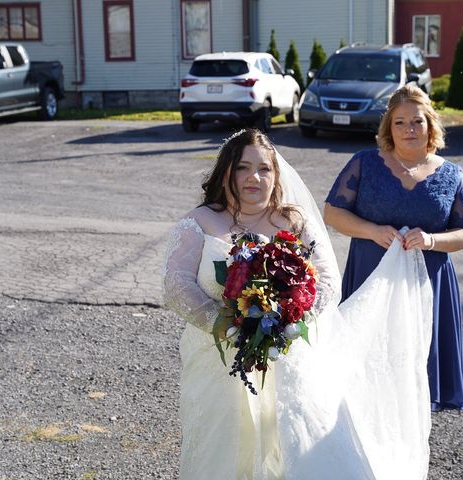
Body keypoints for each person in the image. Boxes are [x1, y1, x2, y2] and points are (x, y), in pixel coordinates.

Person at [163, 128, 435, 479]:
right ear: (226, 171)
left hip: (288, 355)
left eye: (264, 169)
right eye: (243, 168)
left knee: (293, 442)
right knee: (225, 444)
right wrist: (231, 325)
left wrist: (286, 322)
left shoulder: (292, 221)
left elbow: (326, 280)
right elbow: (176, 283)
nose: (254, 177)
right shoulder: (199, 221)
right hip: (217, 355)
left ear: (276, 175)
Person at [324, 84, 463, 412]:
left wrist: (432, 240)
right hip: (370, 277)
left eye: (417, 121)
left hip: (426, 284)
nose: (409, 129)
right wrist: (371, 230)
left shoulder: (452, 174)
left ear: (430, 125)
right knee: (367, 372)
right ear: (388, 128)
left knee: (416, 366)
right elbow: (332, 212)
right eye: (400, 122)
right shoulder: (364, 163)